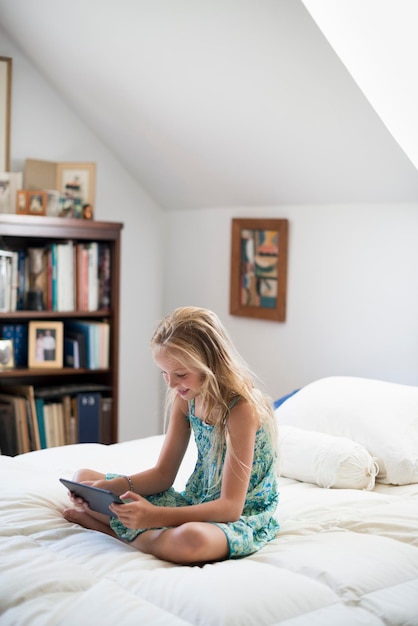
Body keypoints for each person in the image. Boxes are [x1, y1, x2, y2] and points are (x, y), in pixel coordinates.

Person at [63, 306, 279, 564]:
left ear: (210, 365)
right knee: (84, 478)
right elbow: (163, 475)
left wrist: (153, 516)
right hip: (196, 501)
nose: (172, 384)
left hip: (240, 512)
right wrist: (110, 488)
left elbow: (230, 508)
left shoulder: (241, 410)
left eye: (180, 374)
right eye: (164, 373)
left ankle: (118, 533)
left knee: (192, 540)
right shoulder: (185, 399)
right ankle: (139, 532)